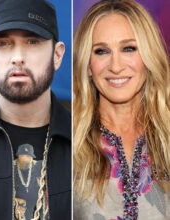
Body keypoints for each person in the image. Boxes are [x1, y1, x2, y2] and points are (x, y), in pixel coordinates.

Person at [73, 0, 170, 219]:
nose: (116, 66)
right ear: (88, 65)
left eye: (128, 48)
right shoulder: (66, 142)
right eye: (101, 51)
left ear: (148, 56)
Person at [0, 0, 71, 219]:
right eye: (3, 43)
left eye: (32, 41)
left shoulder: (86, 140)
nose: (18, 57)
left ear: (57, 55)